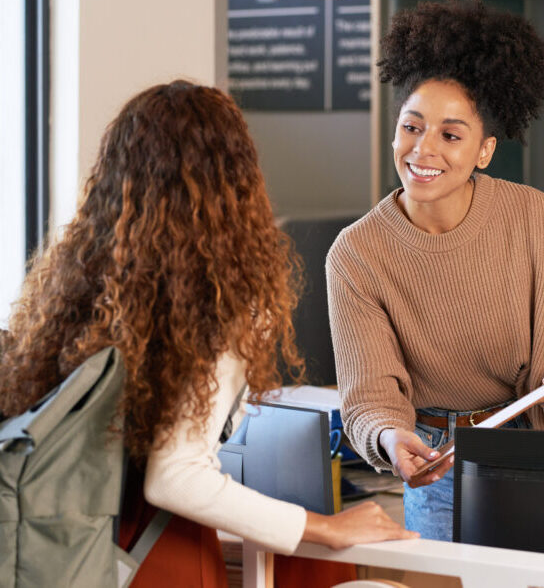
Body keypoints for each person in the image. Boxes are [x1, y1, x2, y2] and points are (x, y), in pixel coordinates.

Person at [0, 81, 415, 587]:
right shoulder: (219, 302)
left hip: (78, 551)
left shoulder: (85, 285)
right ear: (235, 179)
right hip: (157, 557)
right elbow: (175, 477)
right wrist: (324, 526)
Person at [326, 0, 544, 542]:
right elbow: (370, 399)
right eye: (412, 127)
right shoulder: (357, 254)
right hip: (440, 462)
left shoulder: (534, 218)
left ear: (484, 150)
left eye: (450, 135)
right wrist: (387, 439)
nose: (423, 149)